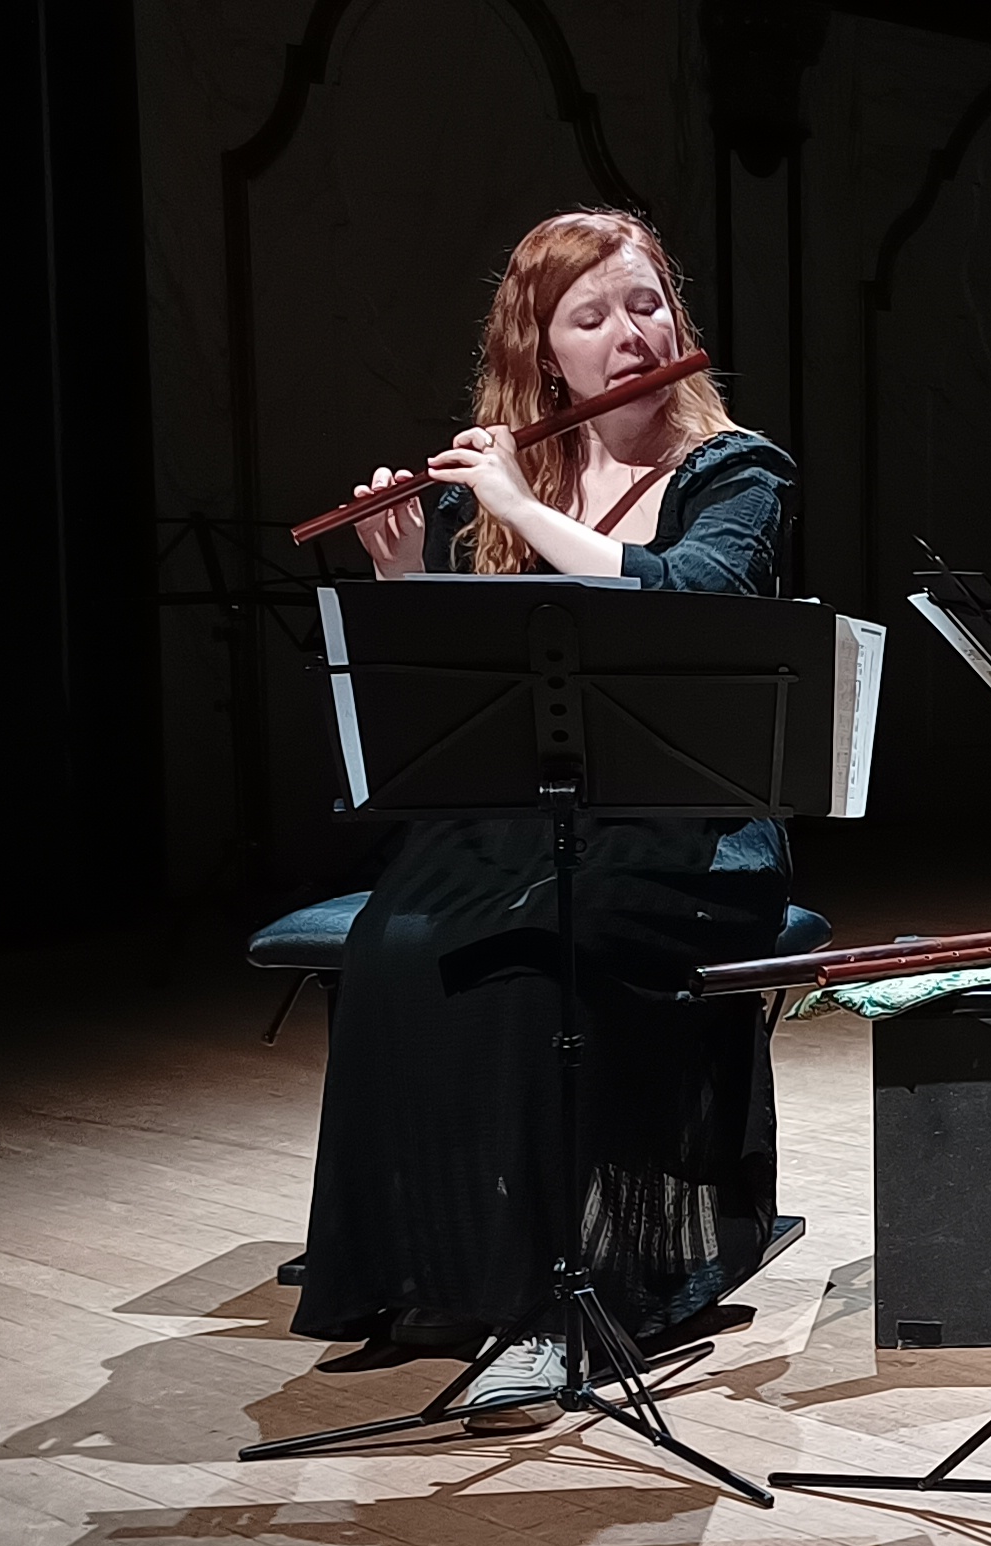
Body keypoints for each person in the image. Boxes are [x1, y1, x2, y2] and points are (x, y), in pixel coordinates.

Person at [293, 208, 802, 1430]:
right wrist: (405, 573)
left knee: (535, 960)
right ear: (545, 352)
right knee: (395, 941)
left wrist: (520, 510)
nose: (631, 336)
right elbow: (476, 697)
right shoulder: (535, 480)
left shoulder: (736, 473)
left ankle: (550, 1307)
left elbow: (694, 596)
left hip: (692, 832)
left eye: (647, 305)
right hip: (537, 819)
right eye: (592, 318)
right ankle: (425, 1258)